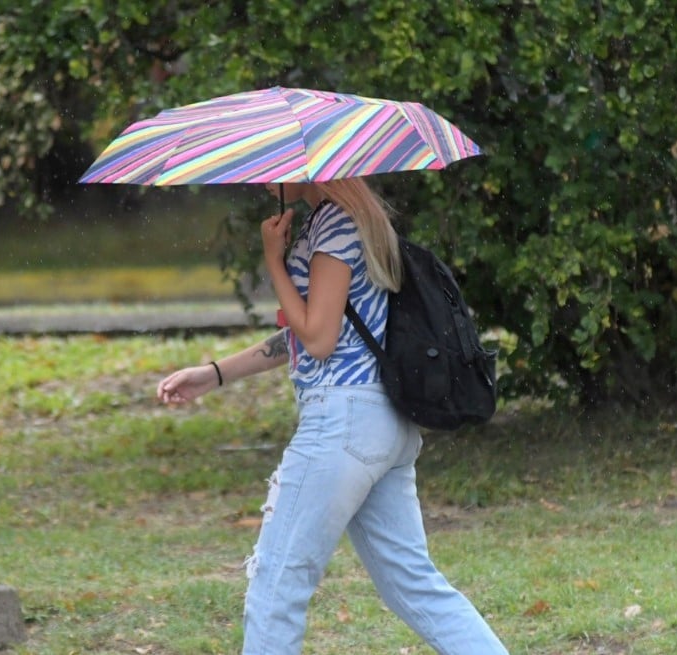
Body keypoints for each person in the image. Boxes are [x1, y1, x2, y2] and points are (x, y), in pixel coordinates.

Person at [156, 178, 508, 654]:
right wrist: (216, 374)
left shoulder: (335, 228)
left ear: (315, 167)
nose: (265, 177)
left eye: (279, 164)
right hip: (382, 423)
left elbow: (318, 339)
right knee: (415, 587)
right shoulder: (352, 224)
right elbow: (310, 334)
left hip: (342, 423)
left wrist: (274, 263)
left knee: (276, 584)